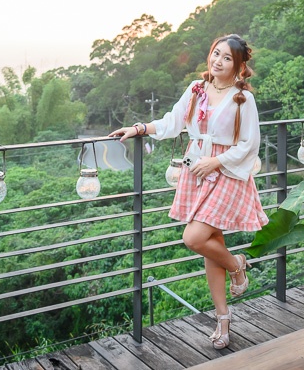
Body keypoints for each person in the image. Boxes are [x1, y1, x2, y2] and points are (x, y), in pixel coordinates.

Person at [109, 34, 268, 350]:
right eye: (215, 54)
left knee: (194, 238)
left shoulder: (243, 99)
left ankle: (237, 265)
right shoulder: (196, 89)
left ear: (238, 67)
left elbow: (250, 143)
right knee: (212, 243)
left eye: (226, 58)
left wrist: (216, 161)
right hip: (196, 170)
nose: (217, 61)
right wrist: (139, 128)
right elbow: (173, 122)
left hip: (226, 172)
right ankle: (223, 319)